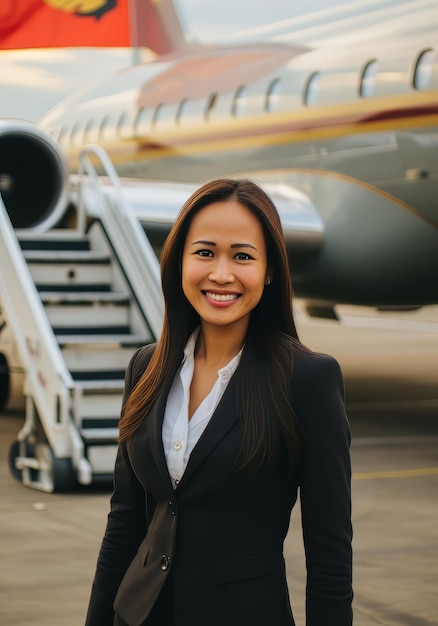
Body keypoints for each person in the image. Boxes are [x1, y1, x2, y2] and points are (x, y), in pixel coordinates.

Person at [85, 178, 353, 626]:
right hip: (137, 615)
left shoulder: (308, 380)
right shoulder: (146, 368)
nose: (222, 274)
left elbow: (330, 554)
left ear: (269, 271)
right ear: (179, 262)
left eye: (242, 256)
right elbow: (125, 523)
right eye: (205, 252)